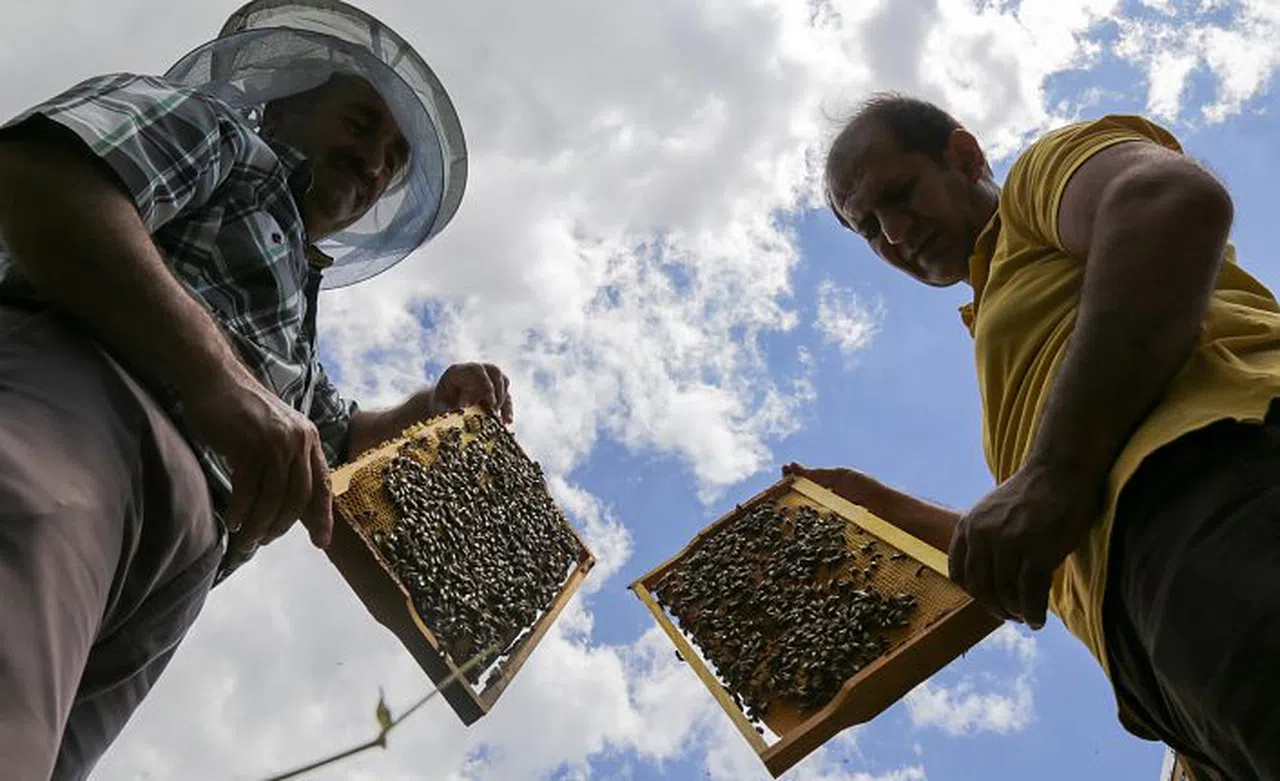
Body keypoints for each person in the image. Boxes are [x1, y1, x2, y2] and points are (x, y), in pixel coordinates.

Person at [0, 2, 511, 778]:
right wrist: (214, 378)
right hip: (73, 419)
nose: (375, 164)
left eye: (394, 159)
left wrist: (433, 411)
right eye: (361, 124)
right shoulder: (222, 136)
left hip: (174, 577)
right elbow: (42, 174)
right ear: (282, 106)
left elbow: (340, 451)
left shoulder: (296, 322)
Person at [787, 94, 1280, 780]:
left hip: (1226, 481)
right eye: (869, 228)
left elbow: (1168, 198)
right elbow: (1034, 541)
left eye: (900, 194)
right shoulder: (1011, 331)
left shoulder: (1033, 188)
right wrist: (879, 509)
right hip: (1163, 665)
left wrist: (1052, 472)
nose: (894, 234)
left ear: (964, 157)